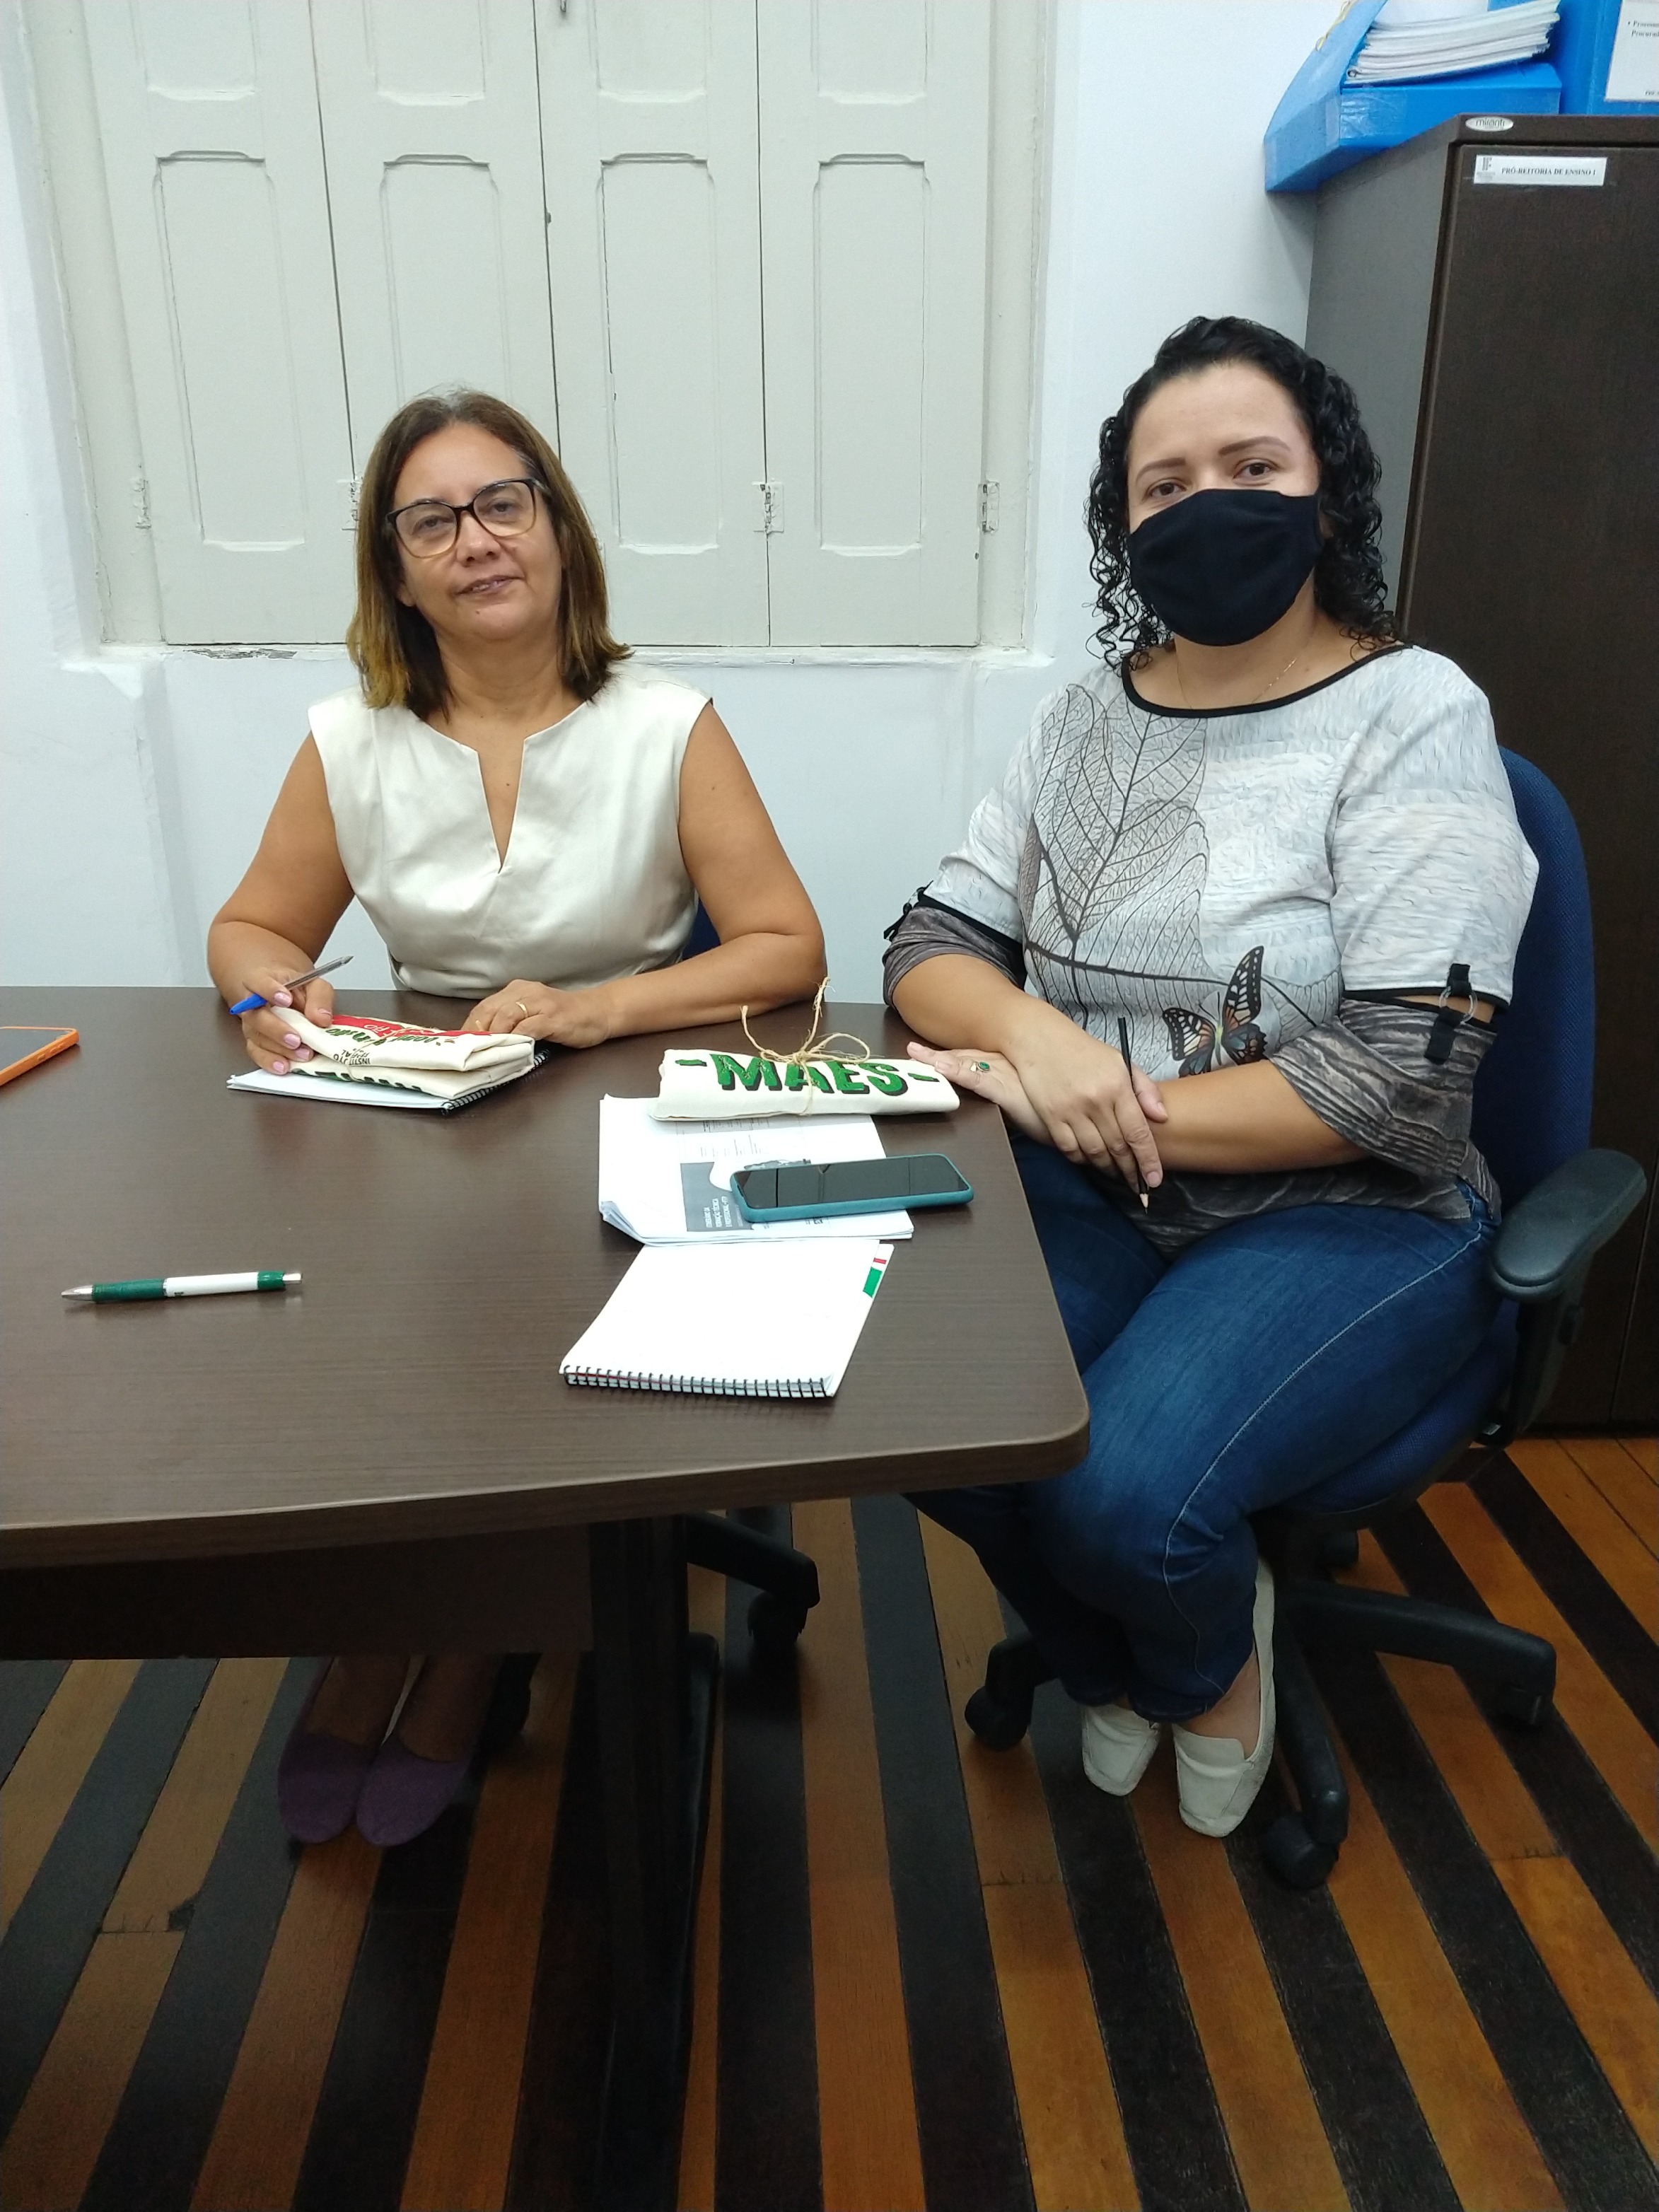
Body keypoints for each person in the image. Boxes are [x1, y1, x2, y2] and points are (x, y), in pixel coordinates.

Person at [885, 317, 1535, 1837]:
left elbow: (1401, 1078)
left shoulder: (1412, 710)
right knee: (923, 1410)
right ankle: (1120, 1660)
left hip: (1350, 1211)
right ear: (1123, 526)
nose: (1206, 507)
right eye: (1163, 486)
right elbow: (932, 941)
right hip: (1094, 1184)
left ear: (1327, 497)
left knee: (1122, 1494)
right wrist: (1048, 1048)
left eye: (1252, 469)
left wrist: (1107, 1107)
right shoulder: (1083, 718)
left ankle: (1201, 1663)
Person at [209, 390, 824, 1847]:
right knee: (380, 1340)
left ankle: (476, 1649)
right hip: (426, 1111)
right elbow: (251, 927)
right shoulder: (351, 739)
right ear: (396, 567)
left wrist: (595, 1007)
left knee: (535, 1336)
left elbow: (786, 947)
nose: (476, 540)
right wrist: (266, 995)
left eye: (503, 503)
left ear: (555, 527)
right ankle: (386, 1631)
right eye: (432, 520)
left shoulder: (665, 725)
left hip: (619, 1102)